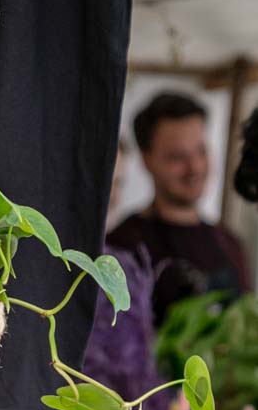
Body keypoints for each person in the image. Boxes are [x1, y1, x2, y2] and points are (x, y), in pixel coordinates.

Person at [108, 92, 252, 327]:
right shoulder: (122, 246)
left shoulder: (230, 244)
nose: (194, 166)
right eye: (178, 157)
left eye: (201, 151)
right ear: (147, 160)